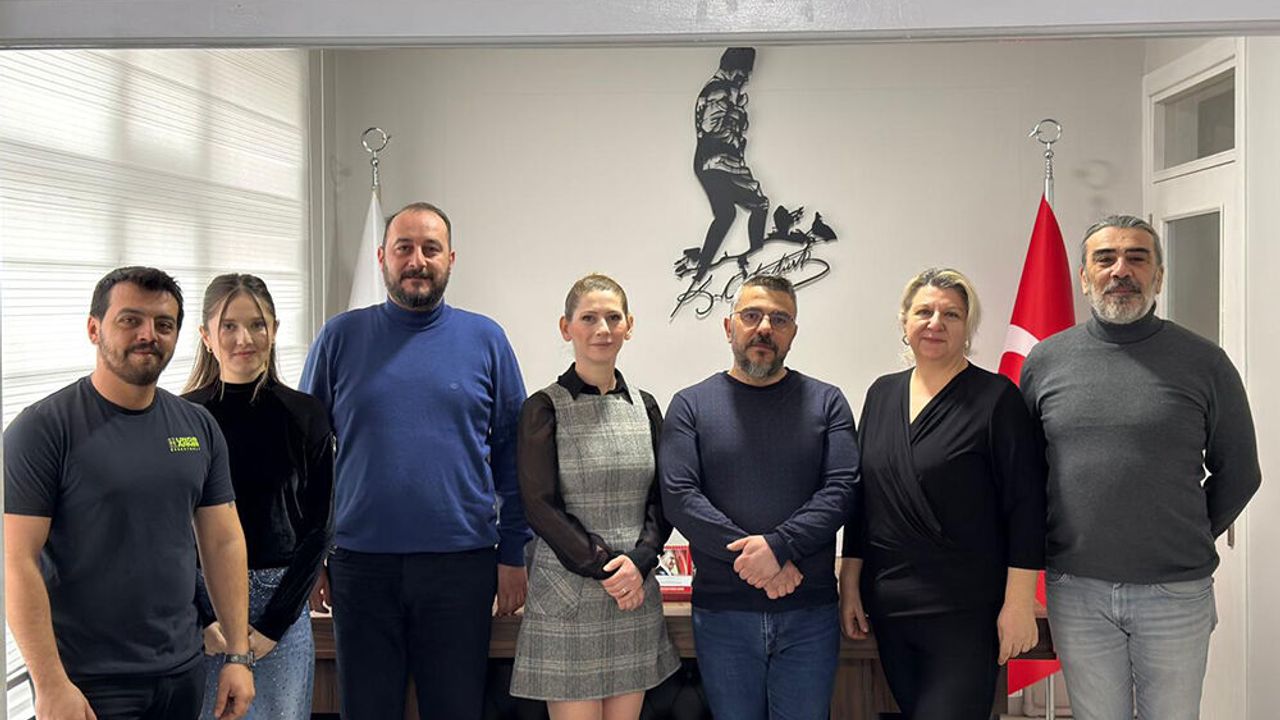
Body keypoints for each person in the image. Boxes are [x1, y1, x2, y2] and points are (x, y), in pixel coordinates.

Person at [1021, 215, 1261, 720]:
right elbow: (1025, 472)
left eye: (1137, 257)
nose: (1120, 270)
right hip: (1077, 588)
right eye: (1105, 259)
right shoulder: (1045, 361)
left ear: (1159, 275)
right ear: (1084, 276)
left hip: (1174, 591)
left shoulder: (1205, 362)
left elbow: (1240, 471)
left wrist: (1184, 532)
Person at [299, 201, 532, 719]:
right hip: (360, 567)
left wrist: (514, 554)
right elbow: (305, 458)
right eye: (404, 248)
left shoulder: (486, 339)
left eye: (431, 249)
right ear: (382, 257)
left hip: (462, 566)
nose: (417, 261)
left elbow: (515, 454)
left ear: (451, 258)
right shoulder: (339, 338)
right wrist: (311, 557)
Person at [4, 266, 254, 720]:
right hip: (87, 683)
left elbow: (223, 541)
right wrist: (51, 684)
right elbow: (17, 561)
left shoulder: (197, 426)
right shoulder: (42, 429)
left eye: (164, 324)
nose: (148, 335)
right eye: (130, 320)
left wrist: (238, 654)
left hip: (182, 672)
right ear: (94, 328)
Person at [838, 268, 1046, 719]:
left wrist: (1018, 603)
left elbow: (1026, 506)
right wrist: (849, 583)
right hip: (891, 607)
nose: (936, 323)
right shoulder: (881, 394)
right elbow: (861, 500)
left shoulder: (997, 398)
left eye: (951, 314)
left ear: (967, 327)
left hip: (966, 610)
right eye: (924, 312)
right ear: (905, 321)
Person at [659, 274, 859, 720]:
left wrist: (779, 547)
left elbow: (842, 490)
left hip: (809, 613)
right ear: (728, 327)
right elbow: (679, 496)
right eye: (751, 315)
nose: (764, 327)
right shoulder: (690, 405)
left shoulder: (828, 402)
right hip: (723, 615)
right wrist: (761, 560)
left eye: (779, 319)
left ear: (793, 332)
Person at [510, 273, 679, 719]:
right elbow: (540, 506)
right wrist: (607, 567)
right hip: (569, 597)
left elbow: (663, 499)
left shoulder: (646, 406)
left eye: (613, 318)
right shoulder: (543, 408)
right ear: (566, 327)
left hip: (633, 595)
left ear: (629, 326)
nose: (602, 329)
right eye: (588, 318)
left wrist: (639, 562)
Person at [183, 274, 334, 720]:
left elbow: (321, 527)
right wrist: (204, 619)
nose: (244, 339)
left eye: (256, 325)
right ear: (206, 336)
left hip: (280, 610)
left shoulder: (305, 414)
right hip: (204, 613)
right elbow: (168, 528)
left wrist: (274, 624)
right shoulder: (182, 418)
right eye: (228, 326)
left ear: (275, 329)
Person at [692, 47, 770, 281]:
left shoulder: (723, 90)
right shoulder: (720, 91)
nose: (745, 78)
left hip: (715, 161)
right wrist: (733, 109)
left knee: (726, 214)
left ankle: (702, 269)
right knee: (758, 204)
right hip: (720, 160)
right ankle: (756, 256)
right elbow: (711, 127)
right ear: (733, 68)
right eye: (744, 72)